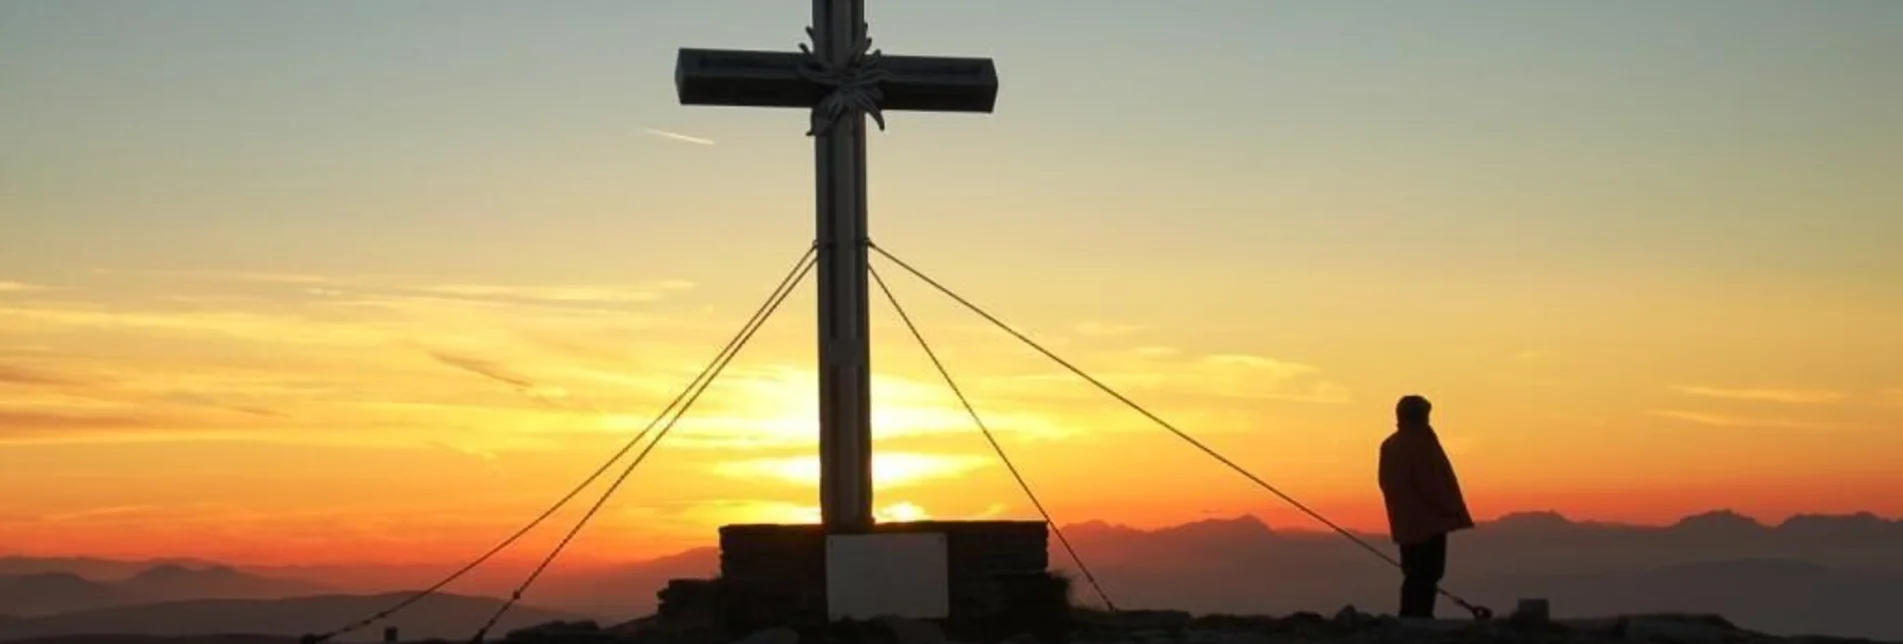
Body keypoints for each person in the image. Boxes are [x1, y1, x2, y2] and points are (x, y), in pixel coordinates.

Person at [1378, 394, 1475, 619]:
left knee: (1412, 572)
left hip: (1404, 521)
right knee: (1429, 571)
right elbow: (1430, 483)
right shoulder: (1420, 442)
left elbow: (1385, 482)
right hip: (1429, 521)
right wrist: (1449, 508)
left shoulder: (1391, 444)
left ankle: (1410, 616)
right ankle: (1419, 618)